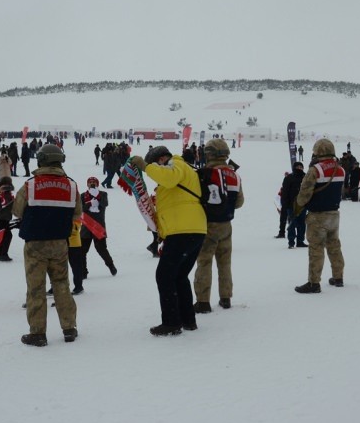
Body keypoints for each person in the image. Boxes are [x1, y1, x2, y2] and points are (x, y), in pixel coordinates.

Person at [131, 146, 207, 336]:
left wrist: (145, 166)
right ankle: (188, 320)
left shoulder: (176, 164)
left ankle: (172, 322)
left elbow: (169, 178)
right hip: (192, 229)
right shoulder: (180, 169)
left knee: (164, 276)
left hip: (184, 230)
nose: (155, 168)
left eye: (155, 163)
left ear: (163, 158)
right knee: (179, 276)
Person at [12, 144, 81, 347]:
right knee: (62, 285)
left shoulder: (30, 185)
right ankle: (69, 328)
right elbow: (77, 215)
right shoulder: (72, 186)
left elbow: (17, 211)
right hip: (60, 244)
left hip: (35, 245)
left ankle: (38, 333)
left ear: (41, 160)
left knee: (36, 288)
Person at [192, 139, 244, 313]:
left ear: (209, 154)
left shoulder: (204, 174)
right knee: (225, 263)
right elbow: (239, 202)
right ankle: (226, 297)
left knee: (204, 262)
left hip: (206, 225)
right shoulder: (235, 175)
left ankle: (203, 301)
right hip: (226, 225)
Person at [293, 139, 346, 293]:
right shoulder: (340, 169)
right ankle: (338, 277)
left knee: (316, 249)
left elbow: (304, 194)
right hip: (334, 214)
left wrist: (298, 205)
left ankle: (314, 283)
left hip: (317, 216)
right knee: (334, 246)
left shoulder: (315, 170)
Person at [81, 176, 117, 278]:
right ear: (87, 184)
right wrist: (90, 203)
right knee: (82, 251)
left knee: (101, 249)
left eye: (94, 182)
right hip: (86, 226)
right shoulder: (83, 196)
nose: (92, 184)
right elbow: (81, 209)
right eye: (90, 182)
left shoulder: (103, 194)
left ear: (97, 184)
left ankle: (111, 266)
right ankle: (83, 271)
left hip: (98, 226)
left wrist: (97, 198)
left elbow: (104, 204)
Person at [281, 162, 307, 248]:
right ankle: (291, 242)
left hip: (303, 204)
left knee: (302, 224)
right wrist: (285, 204)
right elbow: (284, 192)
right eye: (298, 167)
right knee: (292, 223)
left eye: (301, 167)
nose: (299, 168)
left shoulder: (306, 177)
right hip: (291, 205)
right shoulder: (289, 178)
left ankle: (300, 241)